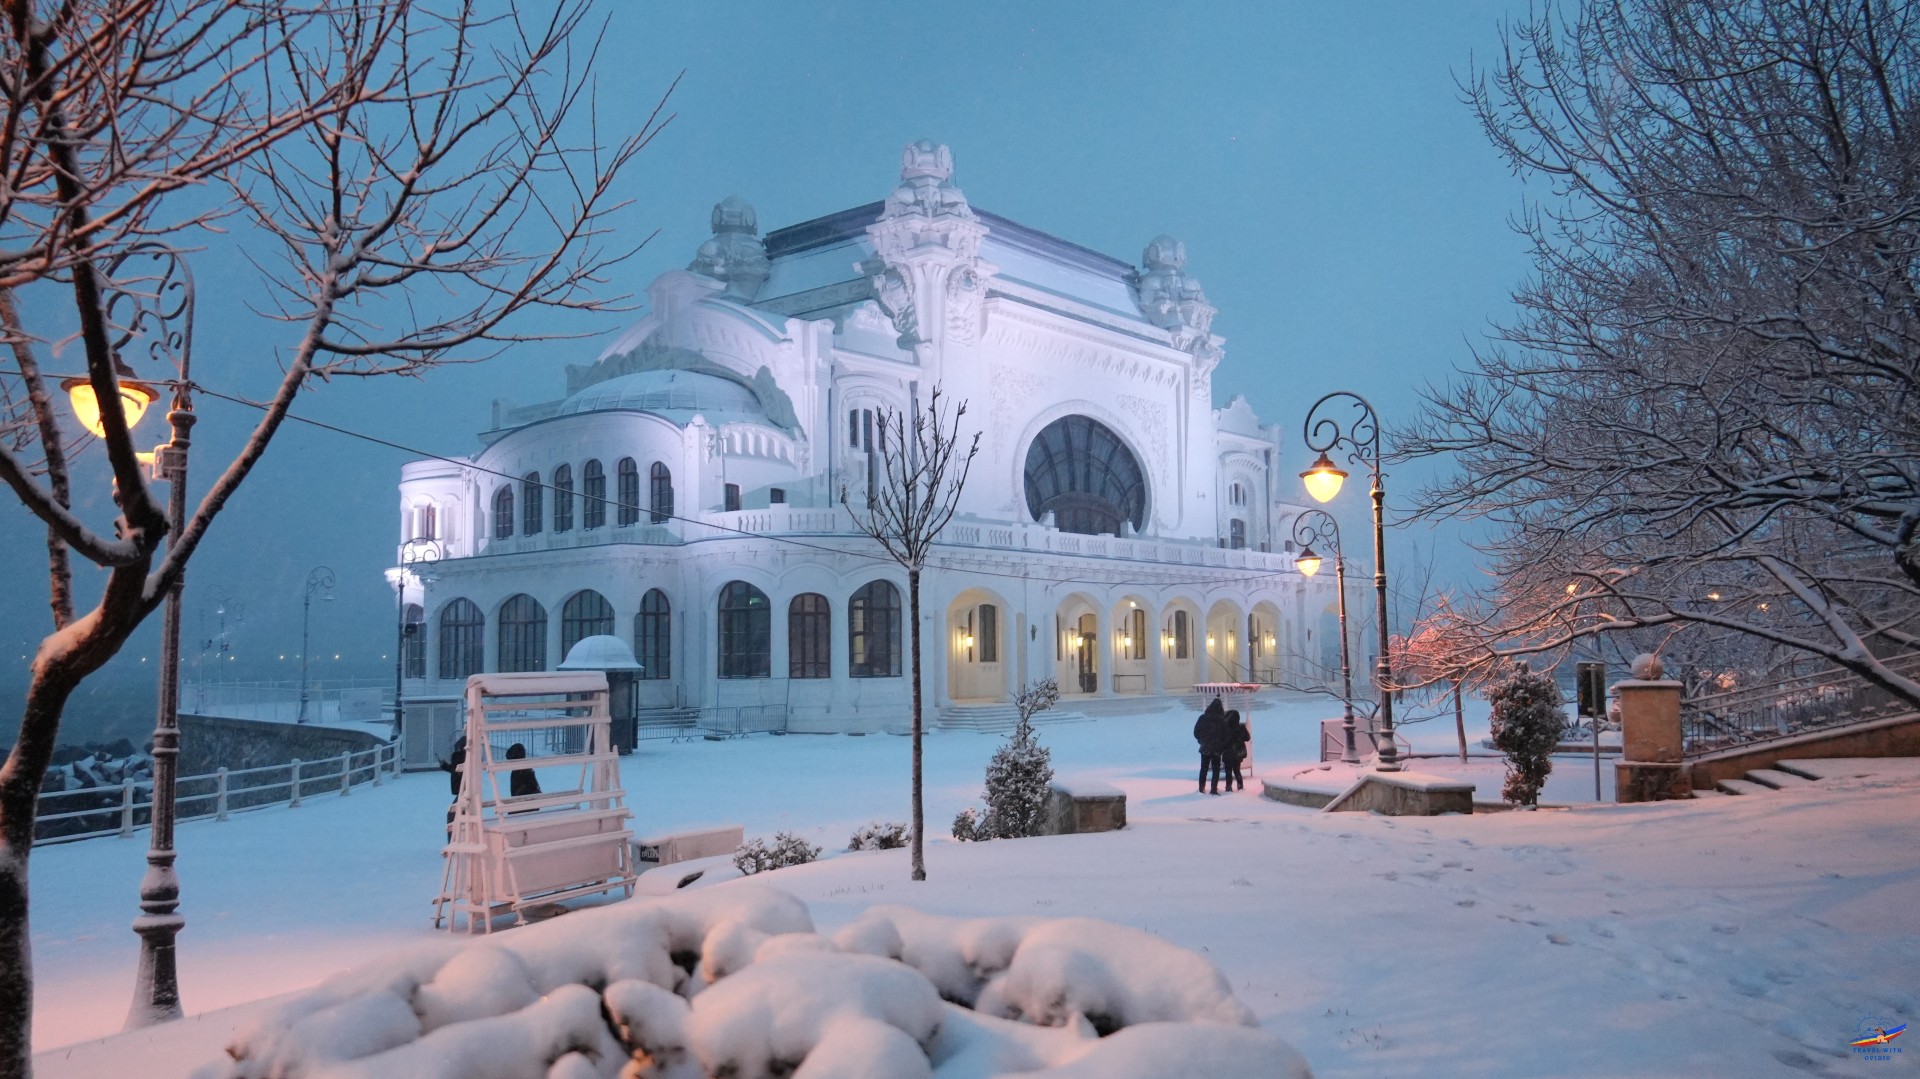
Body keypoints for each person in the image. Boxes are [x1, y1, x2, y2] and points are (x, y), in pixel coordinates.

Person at [1192, 697, 1228, 795]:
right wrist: (1222, 744)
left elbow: (1196, 732)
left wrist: (1201, 741)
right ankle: (1213, 789)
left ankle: (1201, 788)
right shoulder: (1221, 720)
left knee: (1204, 768)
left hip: (1205, 747)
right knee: (1216, 769)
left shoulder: (1202, 717)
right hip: (1217, 747)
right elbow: (1226, 734)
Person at [1223, 709, 1250, 792]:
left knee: (1228, 771)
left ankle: (1228, 787)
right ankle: (1240, 785)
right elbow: (1247, 738)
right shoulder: (1241, 727)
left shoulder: (1225, 728)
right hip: (1237, 753)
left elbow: (1221, 740)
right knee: (1237, 770)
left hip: (1227, 752)